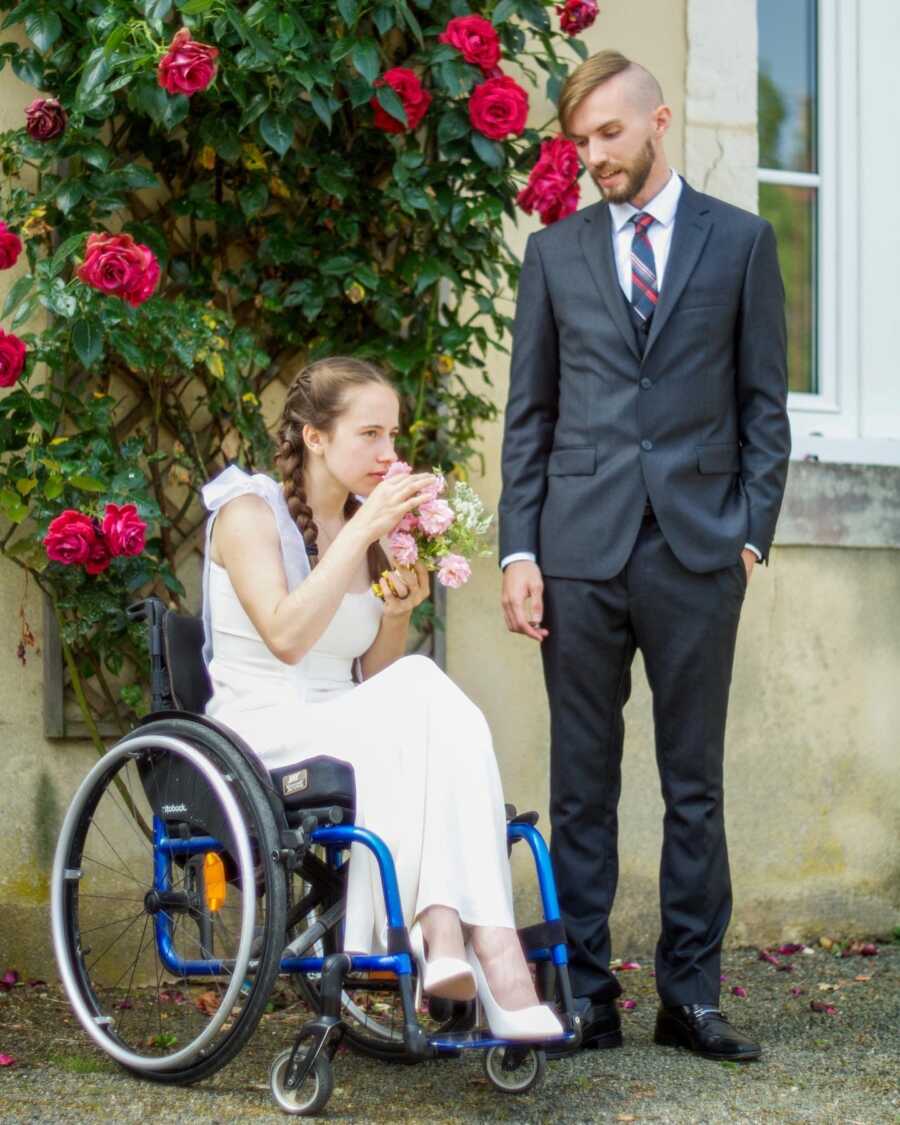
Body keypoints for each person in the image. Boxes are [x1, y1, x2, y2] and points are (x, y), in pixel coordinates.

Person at [499, 51, 790, 1061]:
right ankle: (585, 1000)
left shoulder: (742, 243)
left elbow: (765, 407)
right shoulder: (556, 255)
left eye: (609, 136)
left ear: (657, 121)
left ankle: (691, 999)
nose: (593, 158)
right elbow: (528, 417)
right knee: (582, 787)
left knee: (692, 784)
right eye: (580, 142)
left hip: (698, 552)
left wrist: (750, 533)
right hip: (578, 552)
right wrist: (517, 550)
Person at [200, 354, 562, 1041]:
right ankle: (483, 945)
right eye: (370, 434)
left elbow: (369, 676)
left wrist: (396, 614)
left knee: (419, 685)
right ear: (314, 436)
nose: (388, 453)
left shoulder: (372, 528)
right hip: (263, 732)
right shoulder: (248, 512)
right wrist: (366, 534)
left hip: (349, 723)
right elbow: (285, 636)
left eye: (393, 436)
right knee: (424, 688)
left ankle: (452, 932)